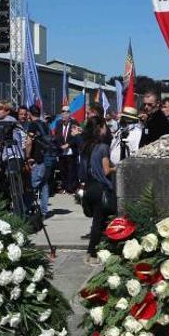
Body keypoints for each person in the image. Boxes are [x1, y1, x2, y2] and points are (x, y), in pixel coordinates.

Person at [79, 116, 115, 266]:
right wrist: (117, 167)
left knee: (97, 221)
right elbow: (106, 170)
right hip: (101, 188)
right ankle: (92, 253)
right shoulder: (103, 147)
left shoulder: (86, 146)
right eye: (105, 126)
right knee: (99, 222)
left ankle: (92, 250)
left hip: (89, 187)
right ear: (100, 128)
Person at [24, 107, 54, 216]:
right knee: (44, 185)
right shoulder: (46, 124)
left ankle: (25, 210)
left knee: (32, 185)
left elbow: (28, 142)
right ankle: (43, 212)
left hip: (38, 160)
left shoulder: (32, 125)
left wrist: (27, 157)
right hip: (49, 158)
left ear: (29, 114)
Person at [52, 107, 79, 194]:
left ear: (69, 113)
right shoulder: (58, 123)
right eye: (62, 112)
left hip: (71, 151)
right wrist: (60, 145)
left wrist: (68, 144)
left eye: (66, 112)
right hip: (61, 151)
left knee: (71, 170)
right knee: (63, 170)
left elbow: (76, 137)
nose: (64, 114)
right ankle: (64, 186)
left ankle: (71, 188)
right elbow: (56, 135)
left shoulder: (74, 123)